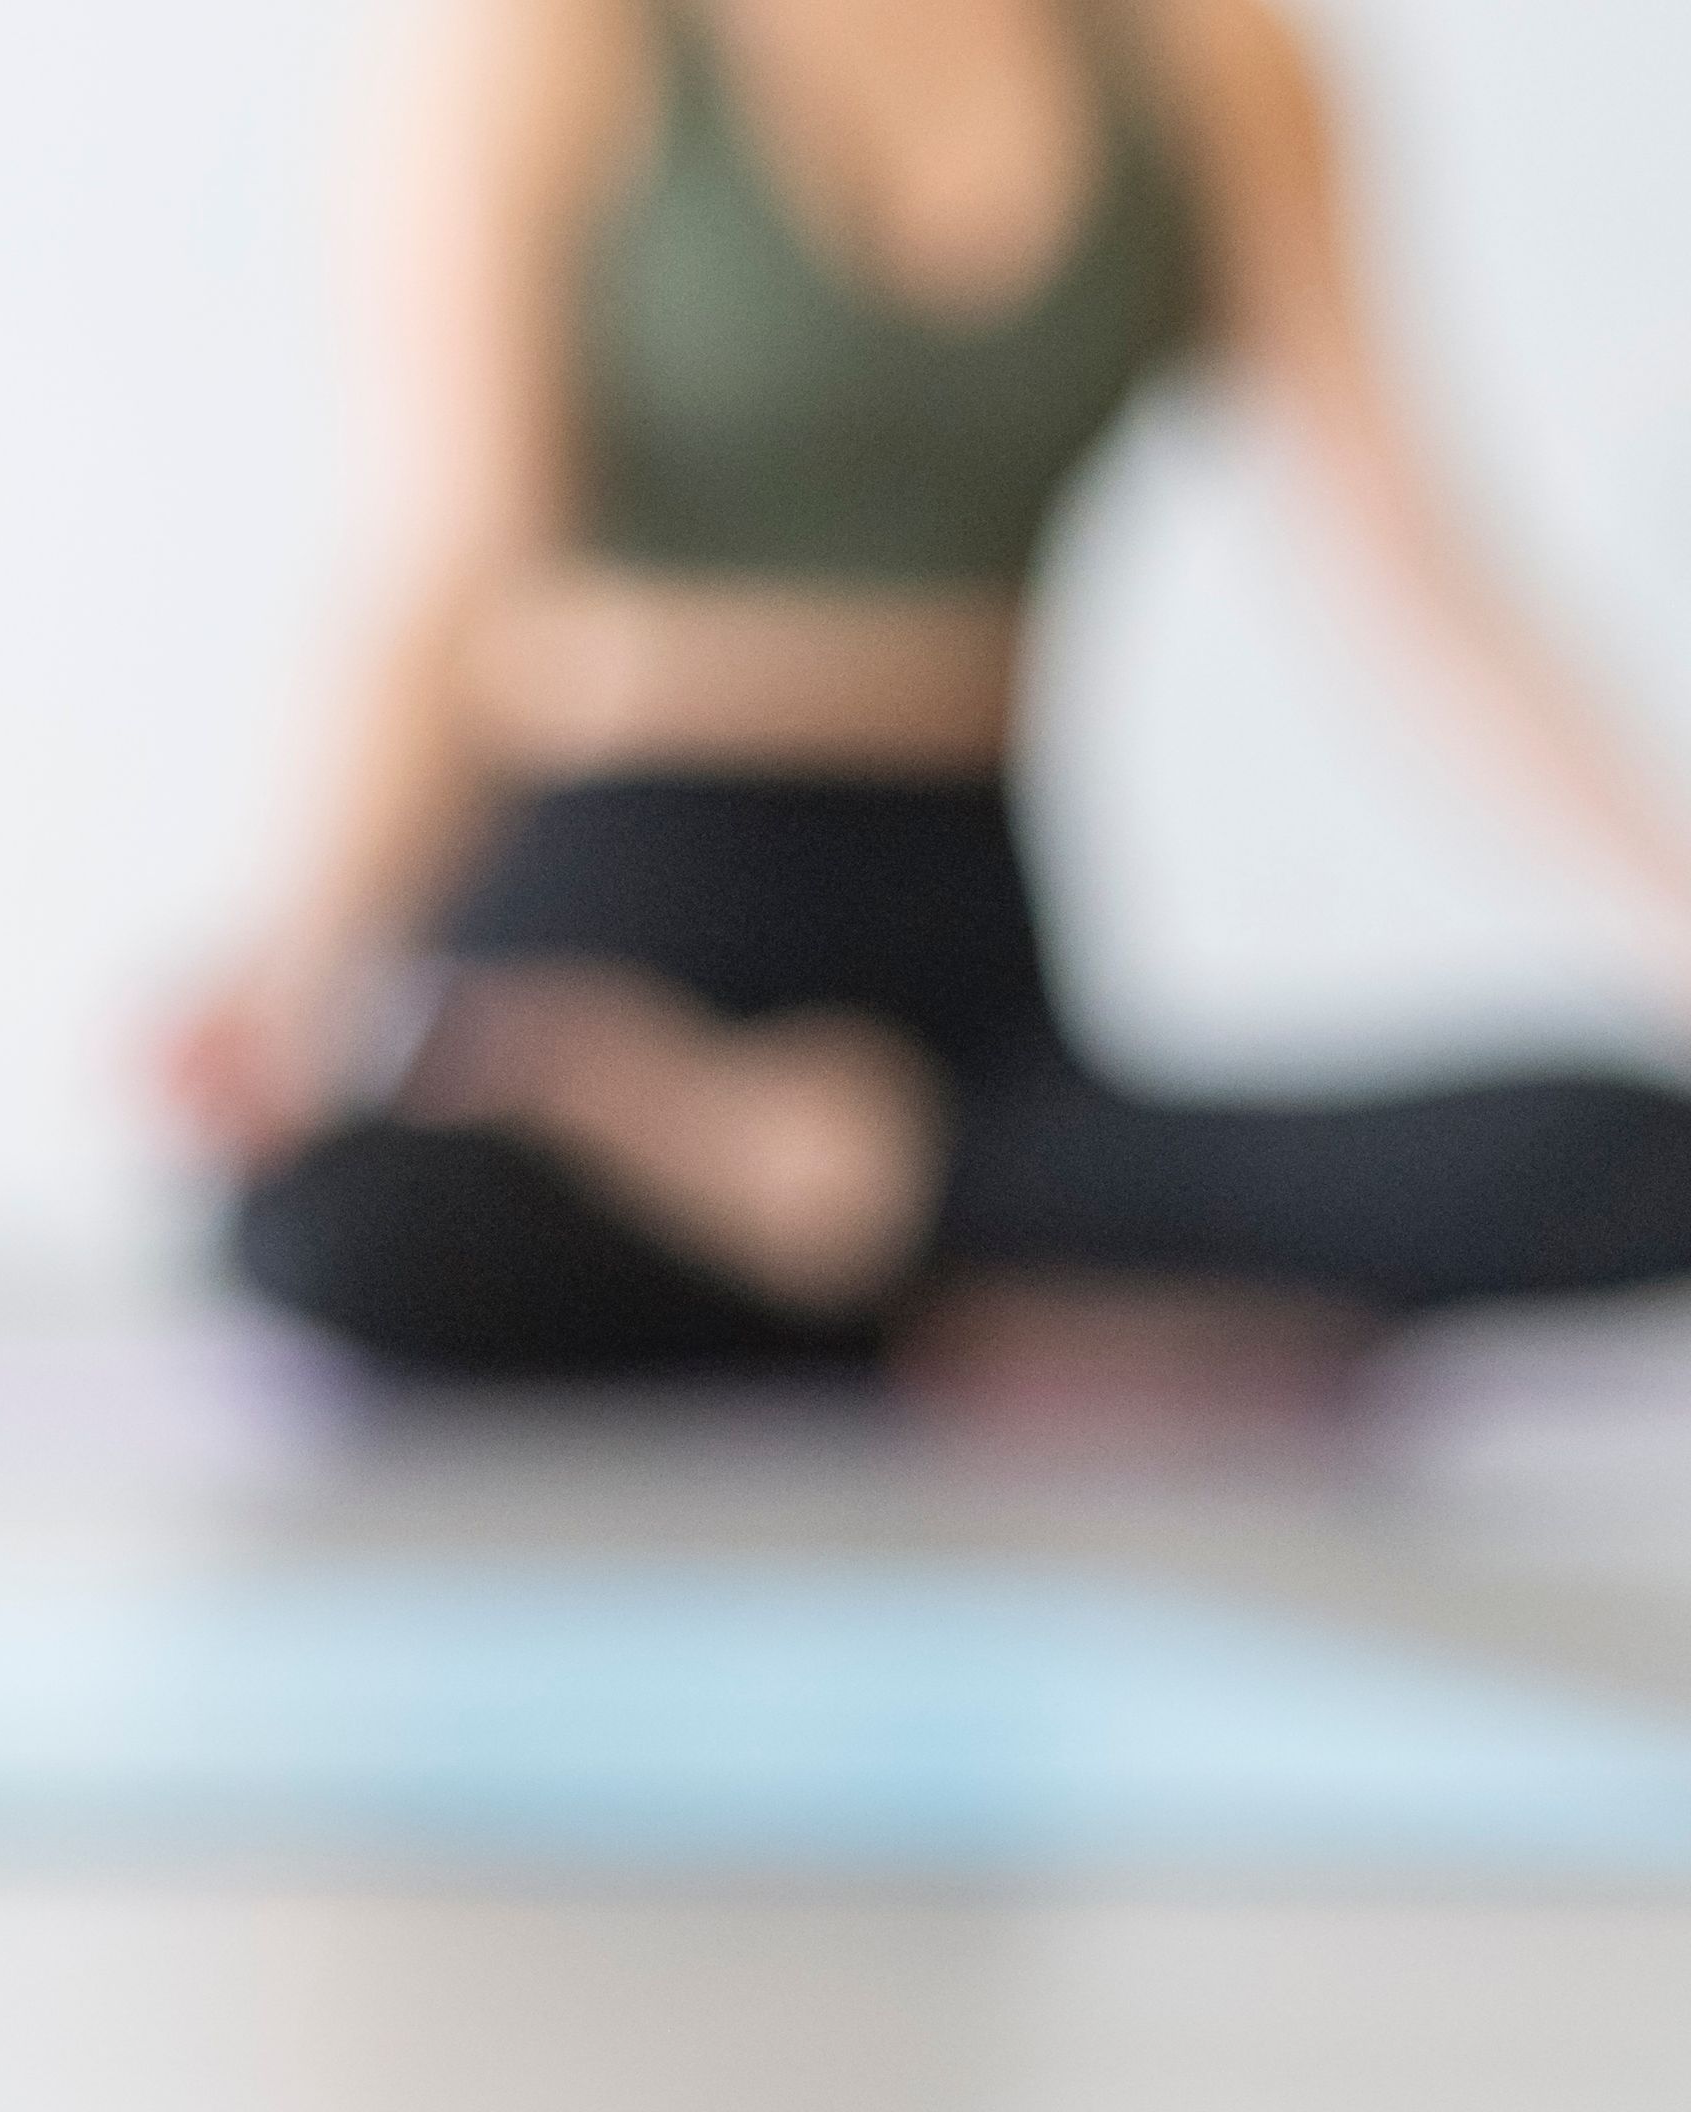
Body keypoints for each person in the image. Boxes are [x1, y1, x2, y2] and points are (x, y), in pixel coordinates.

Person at [167, 0, 1691, 1389]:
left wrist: (1668, 898)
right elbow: (460, 567)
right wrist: (310, 954)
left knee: (1634, 1157)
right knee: (338, 1229)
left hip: (960, 993)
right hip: (601, 977)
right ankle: (985, 1282)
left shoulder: (1208, 55)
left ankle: (918, 1237)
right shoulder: (561, 40)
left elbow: (1410, 561)